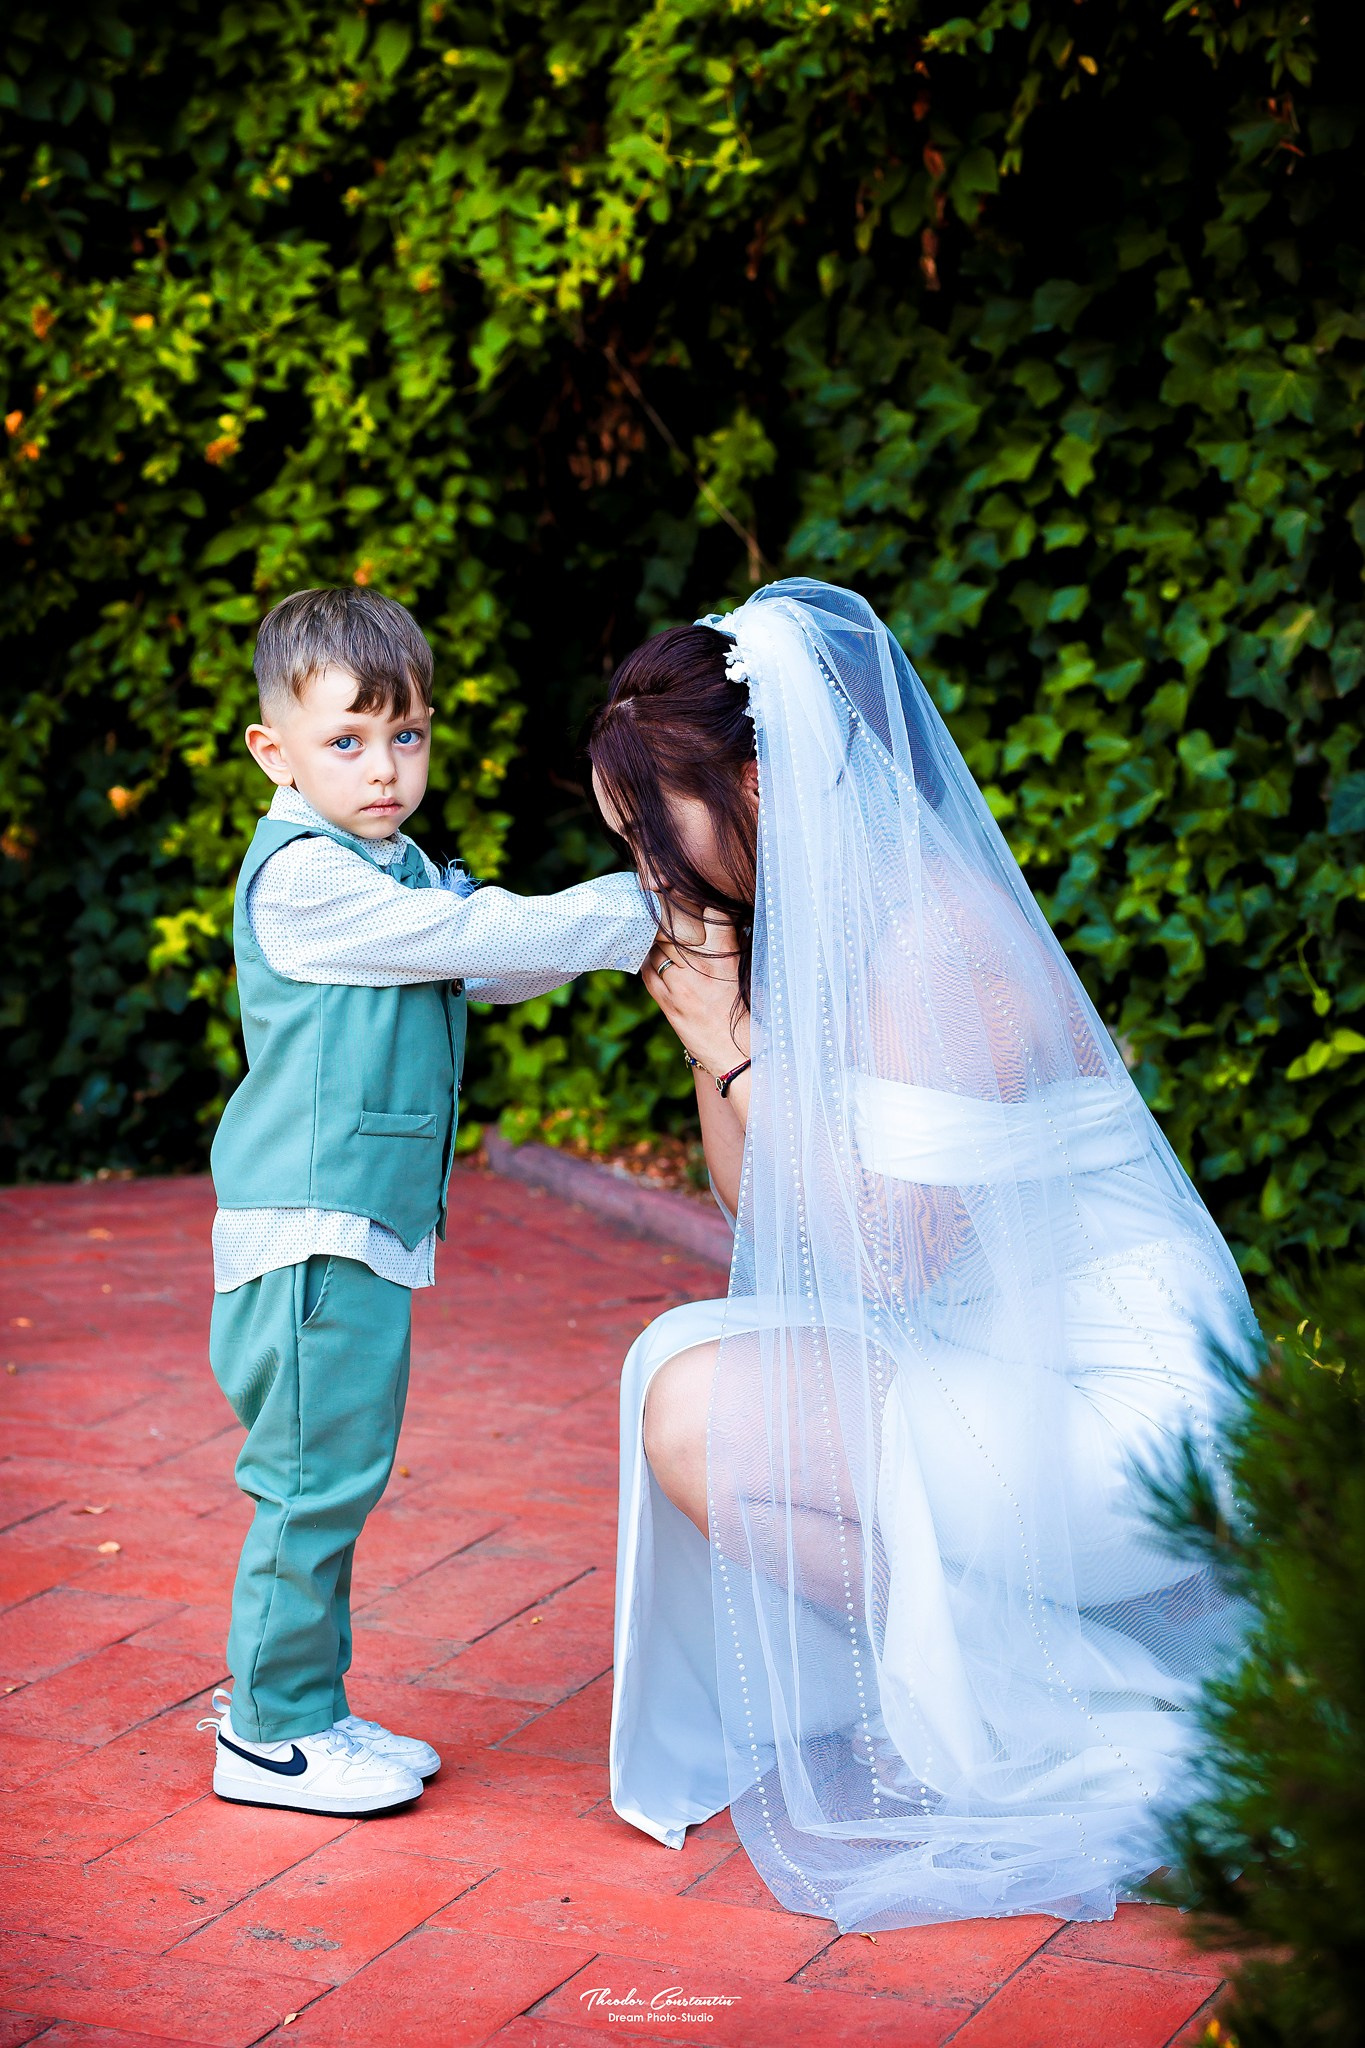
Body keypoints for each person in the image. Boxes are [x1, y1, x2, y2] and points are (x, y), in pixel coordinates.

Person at [586, 578, 1261, 1933]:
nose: (651, 872)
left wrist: (733, 1047)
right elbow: (762, 1209)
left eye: (657, 832)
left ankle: (1090, 1698)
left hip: (1122, 1416)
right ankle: (1013, 1679)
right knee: (678, 1364)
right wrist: (722, 1041)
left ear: (758, 784)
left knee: (704, 1408)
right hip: (996, 1356)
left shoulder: (933, 944)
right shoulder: (838, 922)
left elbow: (879, 1261)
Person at [200, 586, 659, 1817]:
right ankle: (267, 1732)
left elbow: (485, 962)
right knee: (309, 1481)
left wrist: (596, 926)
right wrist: (651, 901)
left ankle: (309, 1704)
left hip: (354, 1228)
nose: (384, 767)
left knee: (337, 1474)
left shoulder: (382, 866)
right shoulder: (307, 878)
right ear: (274, 751)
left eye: (407, 734)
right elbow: (477, 937)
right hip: (309, 1233)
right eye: (347, 740)